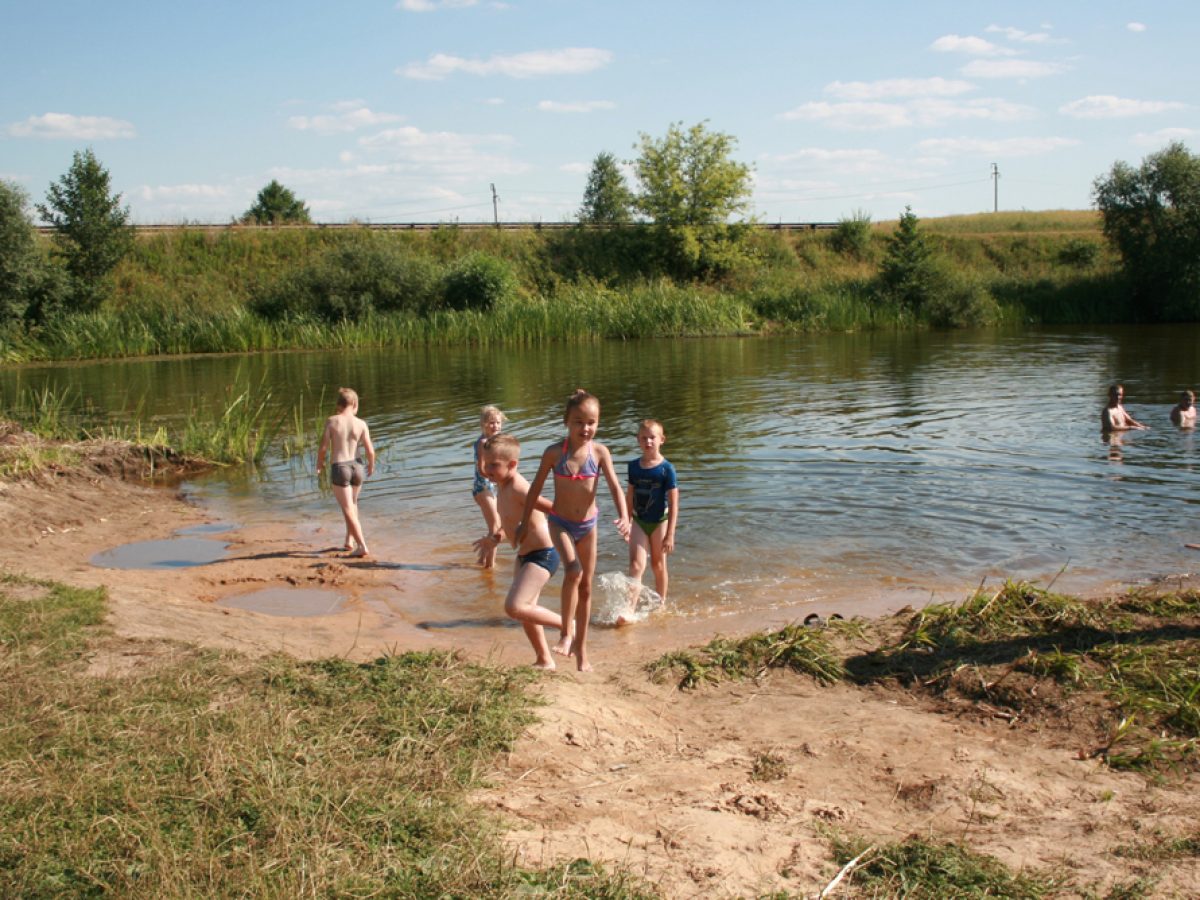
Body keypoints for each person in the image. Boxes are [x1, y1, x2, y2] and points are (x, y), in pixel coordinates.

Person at [516, 389, 630, 672]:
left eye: (591, 422)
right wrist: (524, 521)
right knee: (573, 571)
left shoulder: (600, 452)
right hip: (560, 523)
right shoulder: (554, 453)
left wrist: (625, 517)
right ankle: (567, 633)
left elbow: (615, 487)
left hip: (588, 526)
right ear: (567, 422)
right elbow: (535, 489)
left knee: (587, 588)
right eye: (579, 422)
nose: (586, 428)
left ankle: (582, 653)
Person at [473, 434, 562, 669]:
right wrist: (495, 538)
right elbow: (511, 521)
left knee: (514, 607)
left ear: (512, 464)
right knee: (526, 611)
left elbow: (554, 509)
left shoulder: (520, 487)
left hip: (543, 554)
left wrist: (576, 525)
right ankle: (544, 660)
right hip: (525, 555)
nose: (486, 469)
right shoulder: (502, 485)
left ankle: (569, 625)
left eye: (493, 465)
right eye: (484, 463)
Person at [620, 419, 679, 624]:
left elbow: (674, 503)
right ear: (638, 440)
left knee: (657, 564)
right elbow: (629, 496)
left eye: (652, 437)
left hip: (659, 522)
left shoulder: (666, 469)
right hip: (638, 520)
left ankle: (660, 603)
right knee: (636, 565)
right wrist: (626, 521)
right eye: (644, 438)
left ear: (662, 440)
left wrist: (670, 533)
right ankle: (629, 609)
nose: (648, 441)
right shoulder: (634, 467)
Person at [316, 387, 376, 558]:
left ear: (338, 406)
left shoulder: (332, 421)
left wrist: (319, 463)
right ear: (355, 404)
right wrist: (371, 465)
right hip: (357, 467)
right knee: (352, 504)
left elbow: (323, 448)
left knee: (348, 508)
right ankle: (349, 541)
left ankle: (362, 545)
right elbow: (370, 450)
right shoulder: (361, 423)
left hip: (340, 467)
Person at [472, 405, 507, 568]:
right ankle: (489, 567)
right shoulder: (484, 442)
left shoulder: (496, 441)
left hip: (491, 487)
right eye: (491, 423)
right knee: (496, 527)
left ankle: (481, 560)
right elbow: (481, 468)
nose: (496, 426)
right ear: (484, 424)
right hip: (483, 487)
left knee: (494, 526)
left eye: (498, 423)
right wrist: (496, 479)